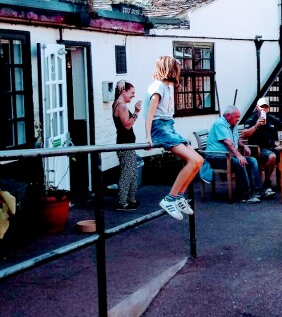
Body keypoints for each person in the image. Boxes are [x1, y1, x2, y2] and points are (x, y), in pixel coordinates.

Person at [145, 55, 204, 220]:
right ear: (170, 70)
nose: (180, 71)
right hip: (160, 128)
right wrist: (148, 137)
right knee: (192, 160)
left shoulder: (166, 86)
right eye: (177, 68)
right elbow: (150, 115)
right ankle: (169, 199)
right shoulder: (157, 86)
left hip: (169, 126)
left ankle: (178, 196)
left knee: (199, 160)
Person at [205, 105, 266, 203]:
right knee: (240, 162)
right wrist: (239, 156)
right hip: (216, 157)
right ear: (228, 116)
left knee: (252, 160)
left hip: (228, 155)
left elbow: (235, 140)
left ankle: (258, 190)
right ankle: (246, 195)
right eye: (236, 117)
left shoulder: (232, 124)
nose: (238, 119)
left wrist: (244, 146)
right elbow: (228, 142)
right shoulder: (220, 124)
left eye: (238, 117)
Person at [240, 98, 282, 197]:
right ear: (257, 107)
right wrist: (256, 125)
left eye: (266, 107)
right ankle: (267, 182)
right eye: (262, 106)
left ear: (268, 108)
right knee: (272, 157)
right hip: (258, 148)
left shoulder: (271, 118)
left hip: (272, 146)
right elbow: (244, 135)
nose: (263, 109)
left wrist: (280, 141)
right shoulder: (252, 119)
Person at [112, 80, 142, 211]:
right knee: (127, 174)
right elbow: (127, 125)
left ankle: (130, 200)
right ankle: (122, 203)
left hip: (126, 144)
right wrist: (136, 112)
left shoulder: (117, 103)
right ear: (123, 91)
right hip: (125, 145)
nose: (133, 95)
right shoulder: (122, 106)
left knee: (132, 173)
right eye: (132, 93)